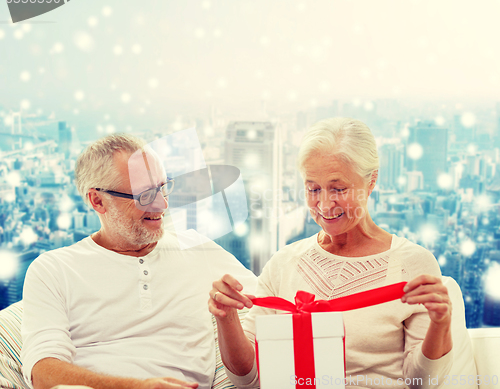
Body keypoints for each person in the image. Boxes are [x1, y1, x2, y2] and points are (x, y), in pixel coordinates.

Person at [209, 118, 454, 389]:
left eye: (338, 188)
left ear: (371, 181)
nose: (324, 205)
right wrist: (226, 318)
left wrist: (440, 324)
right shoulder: (283, 264)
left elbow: (422, 383)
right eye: (313, 189)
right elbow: (249, 381)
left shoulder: (413, 265)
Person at [21, 134, 257, 389]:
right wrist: (135, 387)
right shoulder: (53, 269)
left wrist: (228, 316)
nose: (162, 204)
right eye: (144, 195)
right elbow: (42, 372)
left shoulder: (197, 249)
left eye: (162, 187)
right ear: (97, 201)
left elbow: (275, 305)